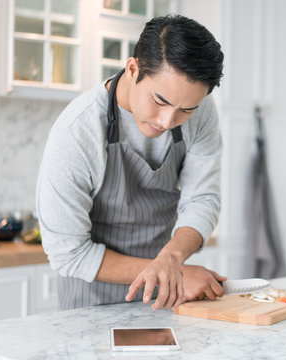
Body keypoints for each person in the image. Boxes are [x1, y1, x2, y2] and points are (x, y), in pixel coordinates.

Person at [36, 14, 226, 310]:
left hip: (167, 298)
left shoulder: (200, 112)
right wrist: (168, 271)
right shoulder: (77, 131)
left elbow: (202, 198)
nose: (168, 121)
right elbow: (68, 253)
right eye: (160, 101)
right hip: (91, 304)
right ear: (133, 69)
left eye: (185, 110)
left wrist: (172, 260)